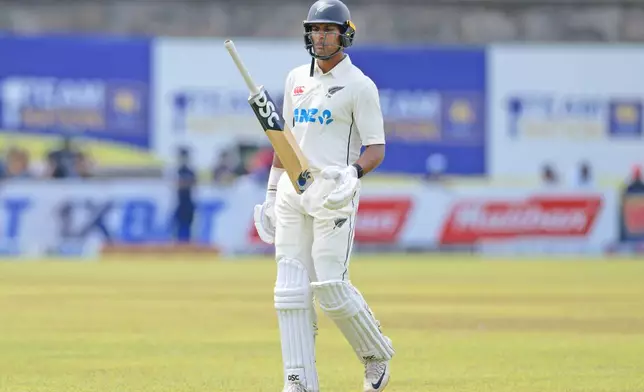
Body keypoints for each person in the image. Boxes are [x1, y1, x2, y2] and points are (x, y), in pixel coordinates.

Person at [252, 1, 395, 391]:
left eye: (328, 30)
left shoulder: (360, 86)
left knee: (331, 288)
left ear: (345, 34)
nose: (320, 37)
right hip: (291, 192)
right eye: (314, 30)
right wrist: (269, 194)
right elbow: (286, 143)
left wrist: (353, 173)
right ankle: (298, 381)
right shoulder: (296, 78)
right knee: (289, 290)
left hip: (334, 193)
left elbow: (376, 148)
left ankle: (375, 354)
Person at [173, 147, 197, 242]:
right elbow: (176, 184)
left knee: (189, 226)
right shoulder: (176, 170)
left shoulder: (190, 171)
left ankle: (187, 243)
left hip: (188, 201)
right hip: (178, 202)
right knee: (178, 226)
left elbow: (193, 184)